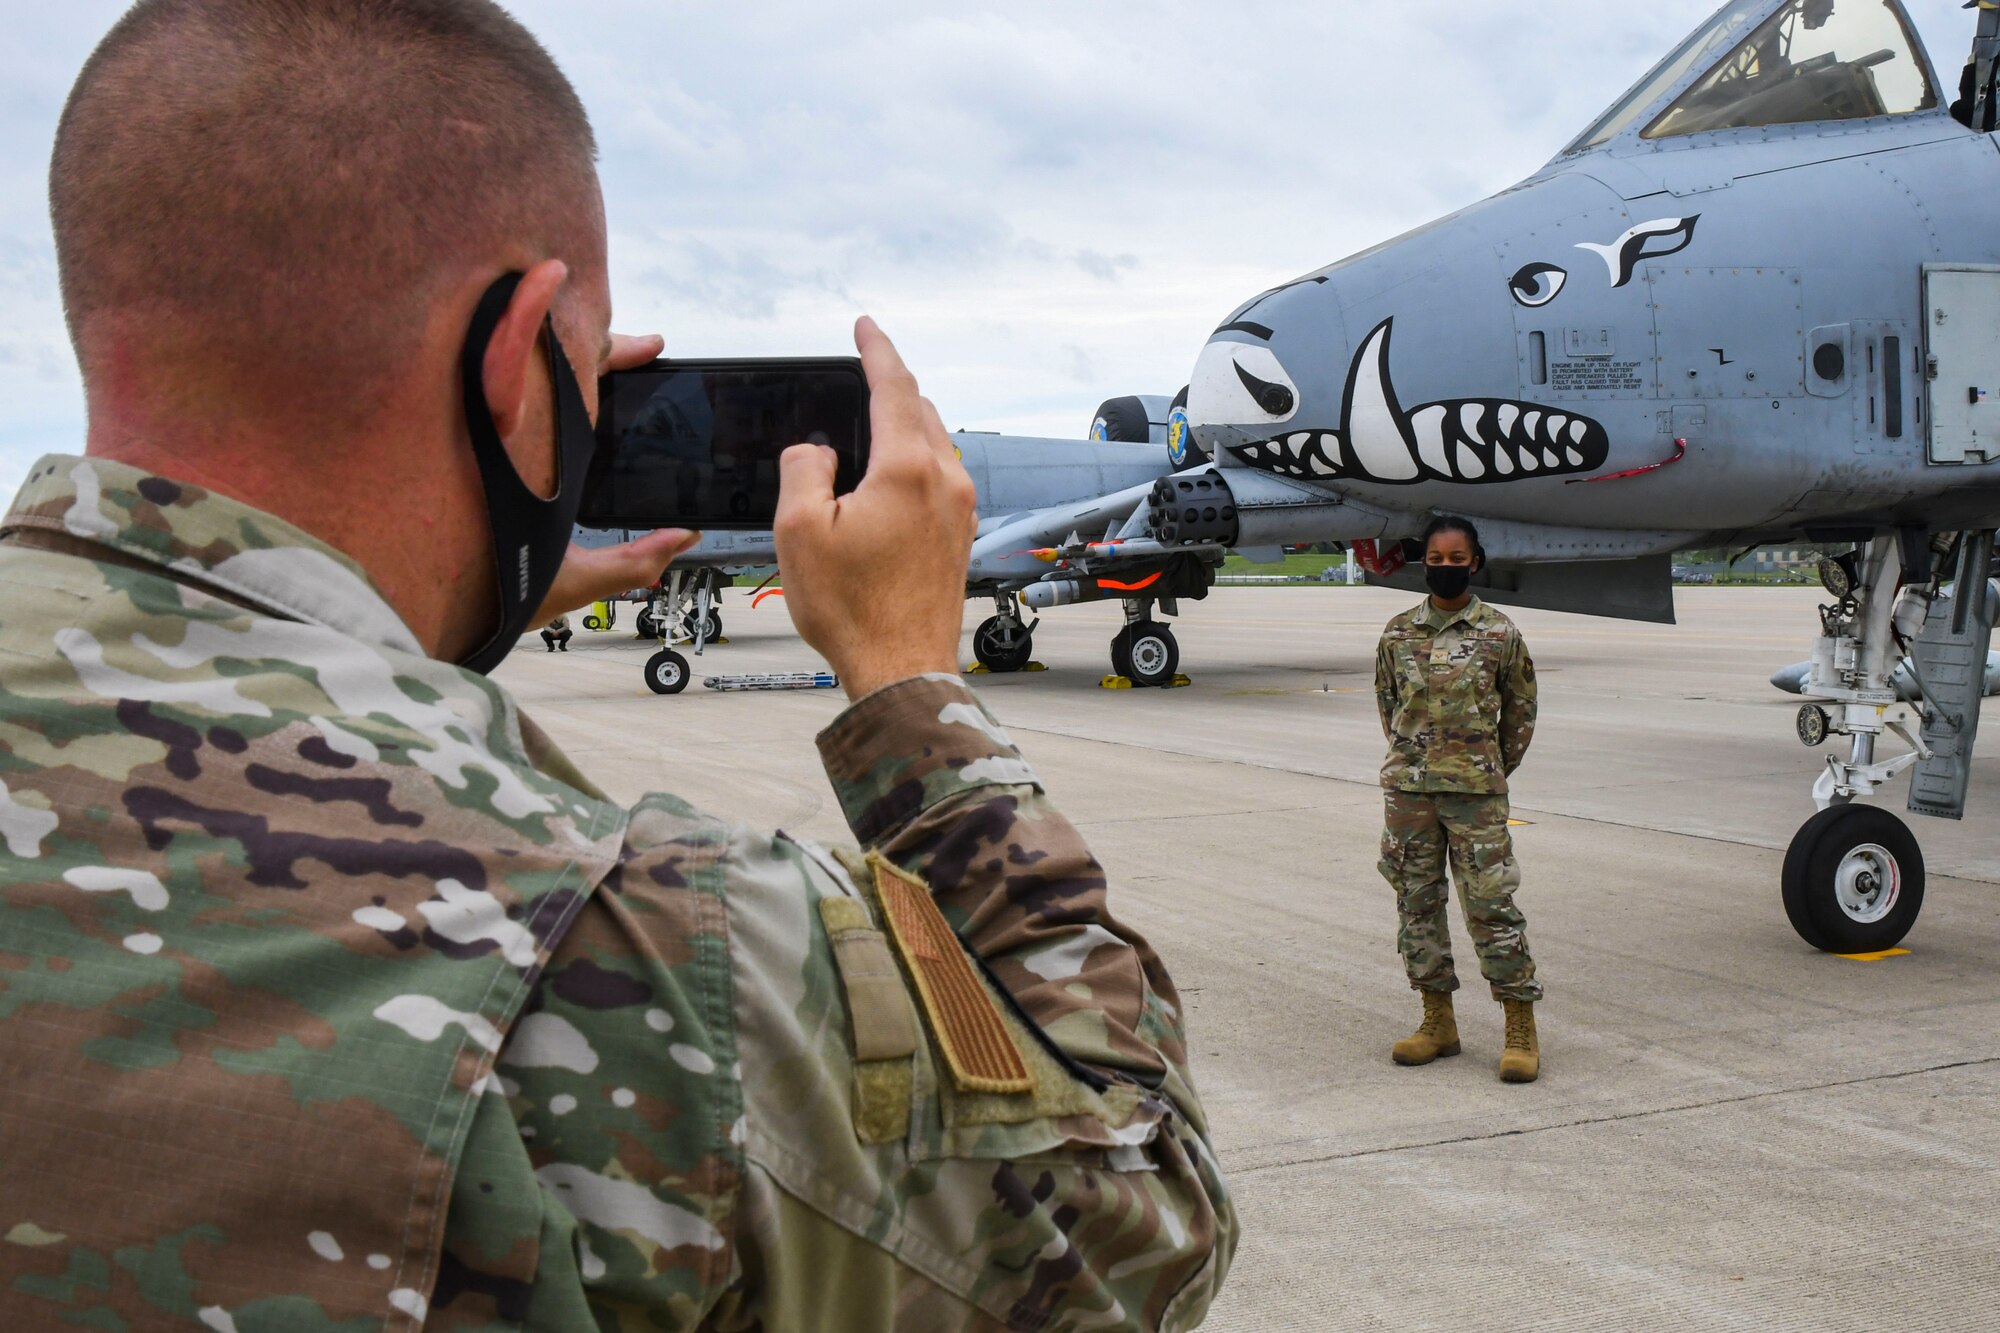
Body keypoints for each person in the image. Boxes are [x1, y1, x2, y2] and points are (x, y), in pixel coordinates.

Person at [0, 3, 1235, 1329]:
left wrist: (444, 591)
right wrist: (904, 682)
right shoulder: (660, 949)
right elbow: (1136, 1234)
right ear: (519, 361)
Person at [1372, 515, 1543, 1083]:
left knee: (1491, 908)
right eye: (1436, 560)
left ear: (1475, 563)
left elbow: (1521, 711)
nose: (1445, 569)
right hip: (1410, 794)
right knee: (1415, 905)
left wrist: (1487, 767)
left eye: (1456, 559)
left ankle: (1519, 1025)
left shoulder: (1500, 633)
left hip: (1476, 795)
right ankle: (1437, 1021)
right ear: (1425, 563)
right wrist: (1415, 762)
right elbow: (1389, 705)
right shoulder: (1398, 633)